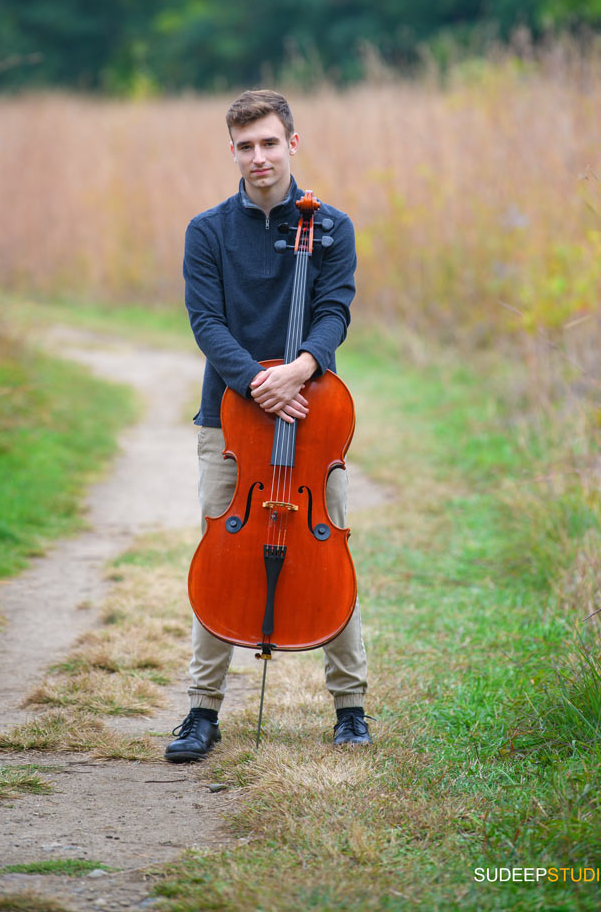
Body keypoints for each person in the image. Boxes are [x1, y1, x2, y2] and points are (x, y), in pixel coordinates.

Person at [165, 89, 370, 763]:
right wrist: (259, 380)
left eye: (269, 143)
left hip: (310, 416)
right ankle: (201, 709)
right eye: (246, 145)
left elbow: (334, 310)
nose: (259, 156)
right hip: (230, 419)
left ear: (292, 144)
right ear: (233, 150)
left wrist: (300, 368)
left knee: (328, 542)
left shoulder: (331, 226)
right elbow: (207, 322)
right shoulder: (208, 231)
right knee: (219, 550)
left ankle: (351, 706)